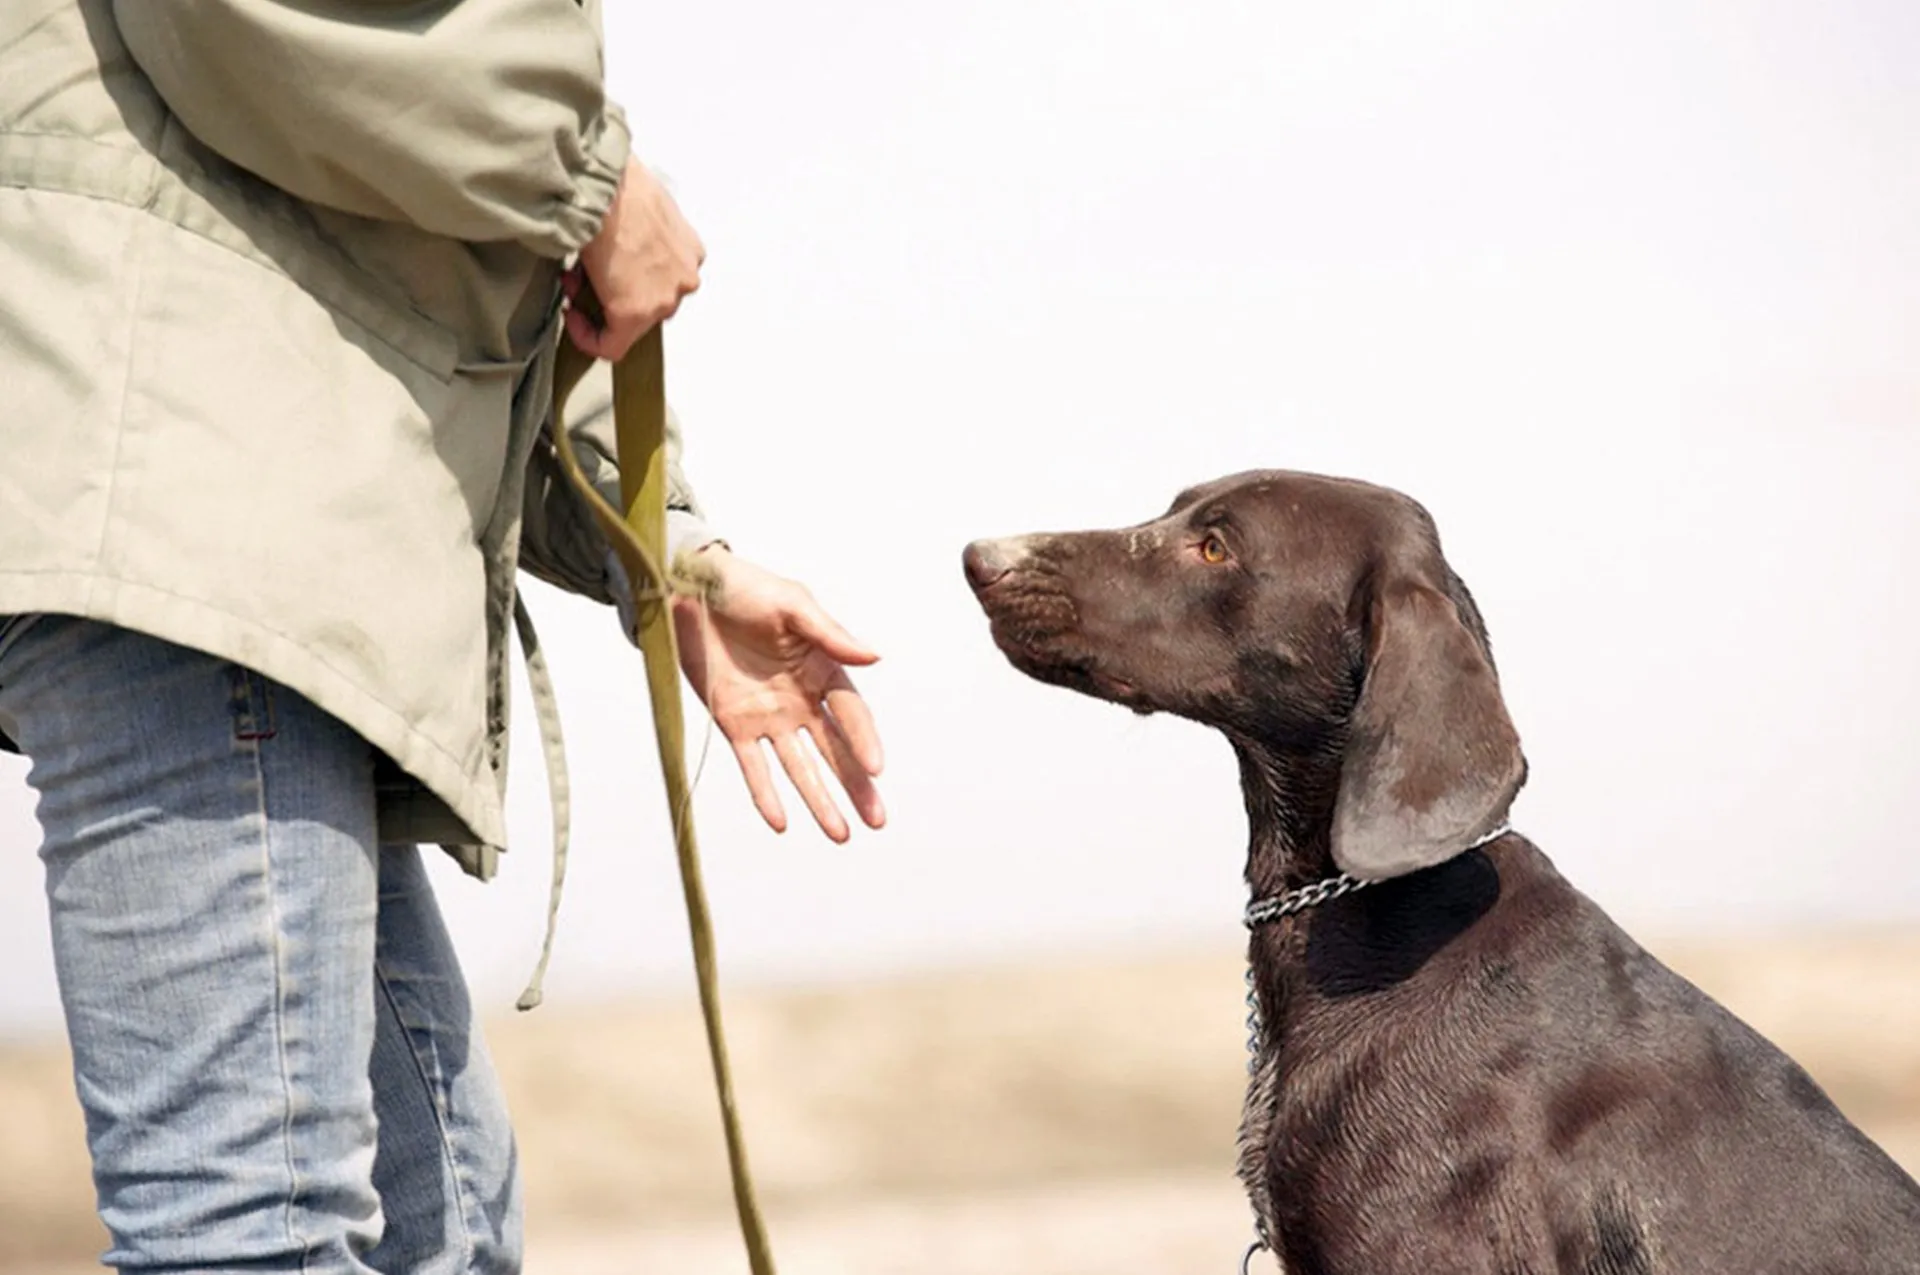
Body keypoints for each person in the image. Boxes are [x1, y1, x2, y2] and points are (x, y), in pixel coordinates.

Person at [0, 2, 885, 1272]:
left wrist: (673, 559)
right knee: (255, 1237)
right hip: (203, 505)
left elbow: (442, 262)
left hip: (260, 521)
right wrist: (591, 174)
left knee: (445, 1231)